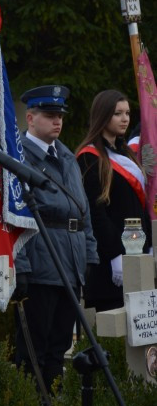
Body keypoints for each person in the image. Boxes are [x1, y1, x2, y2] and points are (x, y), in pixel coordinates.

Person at [12, 85, 98, 395]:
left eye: (59, 116)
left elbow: (82, 211)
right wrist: (19, 264)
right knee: (36, 341)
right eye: (50, 116)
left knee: (61, 339)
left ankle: (54, 398)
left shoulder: (66, 155)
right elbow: (13, 214)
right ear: (31, 118)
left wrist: (90, 256)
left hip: (71, 261)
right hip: (40, 259)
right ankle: (32, 402)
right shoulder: (18, 156)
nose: (57, 122)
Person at [76, 90, 151, 312]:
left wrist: (150, 244)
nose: (125, 119)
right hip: (109, 260)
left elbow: (140, 205)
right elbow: (96, 214)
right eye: (117, 113)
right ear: (103, 115)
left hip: (138, 249)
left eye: (127, 113)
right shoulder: (89, 157)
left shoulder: (127, 154)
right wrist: (115, 254)